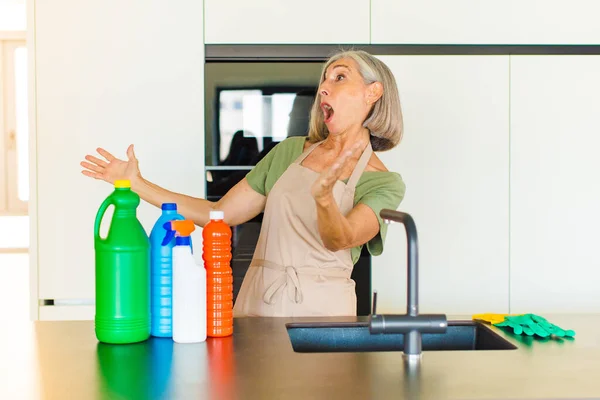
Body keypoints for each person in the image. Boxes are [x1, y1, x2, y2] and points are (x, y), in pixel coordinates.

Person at [81, 50, 406, 317]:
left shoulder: (384, 183)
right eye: (324, 79)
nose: (323, 87)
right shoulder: (292, 151)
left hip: (324, 315)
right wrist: (136, 183)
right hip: (257, 302)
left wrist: (324, 199)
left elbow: (342, 239)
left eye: (339, 77)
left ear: (372, 92)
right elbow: (219, 213)